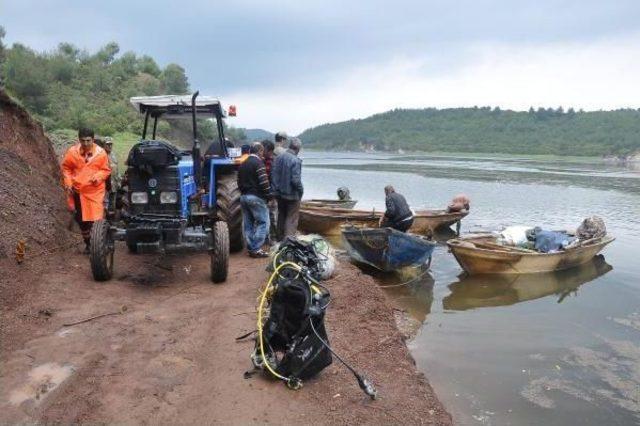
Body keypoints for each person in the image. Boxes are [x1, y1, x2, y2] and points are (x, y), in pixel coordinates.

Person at [61, 128, 111, 253]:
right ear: (79, 140)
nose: (86, 143)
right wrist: (68, 183)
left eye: (88, 140)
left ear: (93, 140)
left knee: (95, 219)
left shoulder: (101, 153)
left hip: (94, 192)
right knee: (81, 220)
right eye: (83, 141)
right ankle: (88, 244)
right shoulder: (72, 152)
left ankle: (98, 245)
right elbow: (66, 168)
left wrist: (98, 176)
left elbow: (106, 170)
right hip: (78, 192)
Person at [237, 142, 272, 257]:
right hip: (256, 197)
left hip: (243, 197)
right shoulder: (258, 163)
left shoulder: (243, 164)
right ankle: (256, 248)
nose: (263, 154)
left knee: (248, 224)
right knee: (263, 222)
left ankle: (251, 248)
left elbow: (238, 182)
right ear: (260, 151)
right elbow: (264, 182)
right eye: (262, 152)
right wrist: (269, 195)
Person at [272, 138, 303, 240]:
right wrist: (301, 191)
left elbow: (273, 175)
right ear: (297, 149)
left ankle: (279, 238)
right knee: (291, 218)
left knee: (281, 215)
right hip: (292, 195)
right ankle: (288, 242)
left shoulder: (278, 158)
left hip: (279, 194)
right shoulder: (296, 160)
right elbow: (296, 181)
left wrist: (275, 190)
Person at [261, 139, 278, 244]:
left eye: (264, 150)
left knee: (272, 216)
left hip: (271, 194)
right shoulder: (259, 161)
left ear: (270, 151)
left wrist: (272, 196)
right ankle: (264, 238)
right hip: (261, 194)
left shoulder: (274, 162)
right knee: (262, 216)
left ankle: (273, 238)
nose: (262, 152)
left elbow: (275, 180)